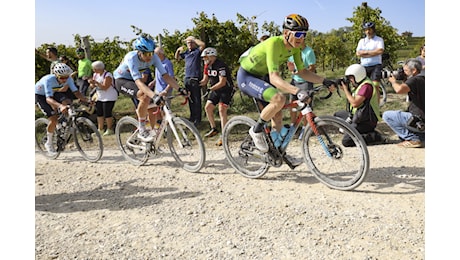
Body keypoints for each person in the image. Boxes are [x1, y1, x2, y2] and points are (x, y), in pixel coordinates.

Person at [236, 14, 337, 157]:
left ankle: (276, 152)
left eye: (304, 35)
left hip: (262, 75)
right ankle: (256, 131)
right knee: (279, 99)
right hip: (247, 76)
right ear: (286, 33)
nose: (301, 38)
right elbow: (274, 77)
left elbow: (302, 72)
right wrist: (297, 90)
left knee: (278, 115)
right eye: (298, 34)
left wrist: (324, 80)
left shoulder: (295, 49)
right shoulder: (273, 44)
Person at [114, 34, 186, 142]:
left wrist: (180, 89)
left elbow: (166, 76)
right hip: (122, 80)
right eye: (146, 54)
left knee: (152, 108)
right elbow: (139, 82)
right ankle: (142, 129)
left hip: (136, 81)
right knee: (144, 96)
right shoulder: (131, 58)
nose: (149, 57)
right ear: (139, 52)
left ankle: (152, 140)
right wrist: (154, 95)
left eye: (151, 53)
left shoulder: (154, 57)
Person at [35, 63, 90, 156]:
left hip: (55, 91)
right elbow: (48, 99)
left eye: (66, 77)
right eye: (61, 78)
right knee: (53, 118)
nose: (64, 79)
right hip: (41, 95)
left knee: (68, 102)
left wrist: (87, 100)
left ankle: (63, 123)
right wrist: (60, 106)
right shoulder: (48, 80)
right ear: (56, 75)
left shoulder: (68, 78)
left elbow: (76, 92)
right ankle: (48, 143)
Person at [334, 64, 383, 146]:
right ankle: (353, 130)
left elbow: (355, 103)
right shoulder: (359, 84)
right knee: (337, 116)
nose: (349, 80)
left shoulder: (366, 86)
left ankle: (375, 136)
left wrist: (346, 90)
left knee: (346, 141)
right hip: (358, 116)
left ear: (357, 76)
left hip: (366, 121)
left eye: (351, 78)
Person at [382, 58, 425, 148]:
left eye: (405, 70)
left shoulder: (414, 80)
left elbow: (399, 90)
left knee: (387, 115)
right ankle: (421, 137)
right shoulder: (422, 78)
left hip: (418, 119)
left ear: (414, 70)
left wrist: (393, 82)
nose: (403, 72)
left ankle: (413, 139)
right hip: (423, 119)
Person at [199, 47, 234, 146]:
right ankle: (214, 129)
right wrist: (196, 84)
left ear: (212, 56)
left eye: (206, 57)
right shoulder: (207, 66)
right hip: (215, 89)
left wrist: (210, 89)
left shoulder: (220, 65)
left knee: (222, 110)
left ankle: (224, 135)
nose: (204, 60)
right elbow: (205, 80)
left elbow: (222, 82)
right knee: (208, 107)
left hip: (226, 89)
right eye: (203, 58)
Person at [286, 41, 316, 139]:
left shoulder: (308, 52)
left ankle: (305, 128)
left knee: (305, 106)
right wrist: (292, 70)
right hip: (295, 81)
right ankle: (293, 126)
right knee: (292, 103)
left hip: (306, 81)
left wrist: (302, 72)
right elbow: (290, 64)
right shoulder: (293, 51)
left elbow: (312, 68)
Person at [175, 36, 206, 127]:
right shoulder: (186, 53)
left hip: (195, 78)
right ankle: (192, 117)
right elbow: (177, 58)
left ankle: (197, 119)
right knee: (190, 99)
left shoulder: (197, 52)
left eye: (191, 42)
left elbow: (203, 45)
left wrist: (193, 39)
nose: (189, 44)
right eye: (188, 43)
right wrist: (178, 50)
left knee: (196, 99)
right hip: (187, 79)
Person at [356, 22, 384, 104]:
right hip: (364, 66)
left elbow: (380, 51)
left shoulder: (379, 39)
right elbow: (358, 53)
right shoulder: (361, 41)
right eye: (366, 30)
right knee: (364, 87)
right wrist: (372, 53)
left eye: (370, 29)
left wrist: (365, 53)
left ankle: (376, 107)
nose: (368, 32)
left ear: (373, 30)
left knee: (375, 86)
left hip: (376, 66)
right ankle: (365, 105)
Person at [88, 60, 118, 136]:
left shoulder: (107, 75)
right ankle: (100, 129)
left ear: (99, 68)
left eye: (94, 68)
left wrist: (96, 83)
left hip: (109, 97)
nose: (93, 70)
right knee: (99, 113)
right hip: (99, 97)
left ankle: (109, 129)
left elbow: (105, 87)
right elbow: (92, 86)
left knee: (107, 113)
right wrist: (92, 83)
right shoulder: (95, 75)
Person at [149, 46, 175, 129]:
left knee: (166, 111)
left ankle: (168, 129)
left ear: (160, 54)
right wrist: (153, 82)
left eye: (155, 54)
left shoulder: (167, 64)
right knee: (158, 109)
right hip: (157, 90)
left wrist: (166, 90)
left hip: (165, 90)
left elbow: (172, 79)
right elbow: (158, 76)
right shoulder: (157, 63)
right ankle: (161, 127)